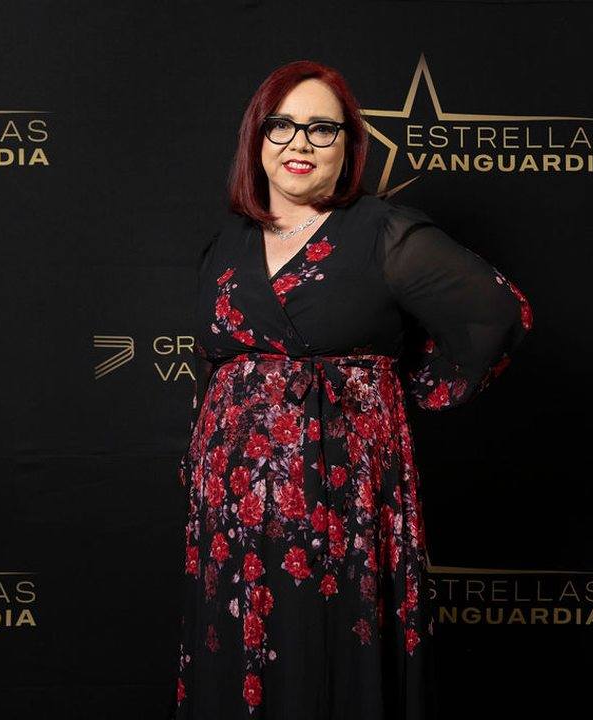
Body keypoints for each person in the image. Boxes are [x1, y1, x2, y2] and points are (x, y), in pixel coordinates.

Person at [168, 59, 532, 720]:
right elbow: (212, 368)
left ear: (348, 146)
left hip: (340, 502)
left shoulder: (382, 233)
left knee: (329, 662)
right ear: (256, 138)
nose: (300, 143)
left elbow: (497, 314)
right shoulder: (225, 244)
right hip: (231, 518)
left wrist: (392, 394)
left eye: (322, 129)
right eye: (282, 125)